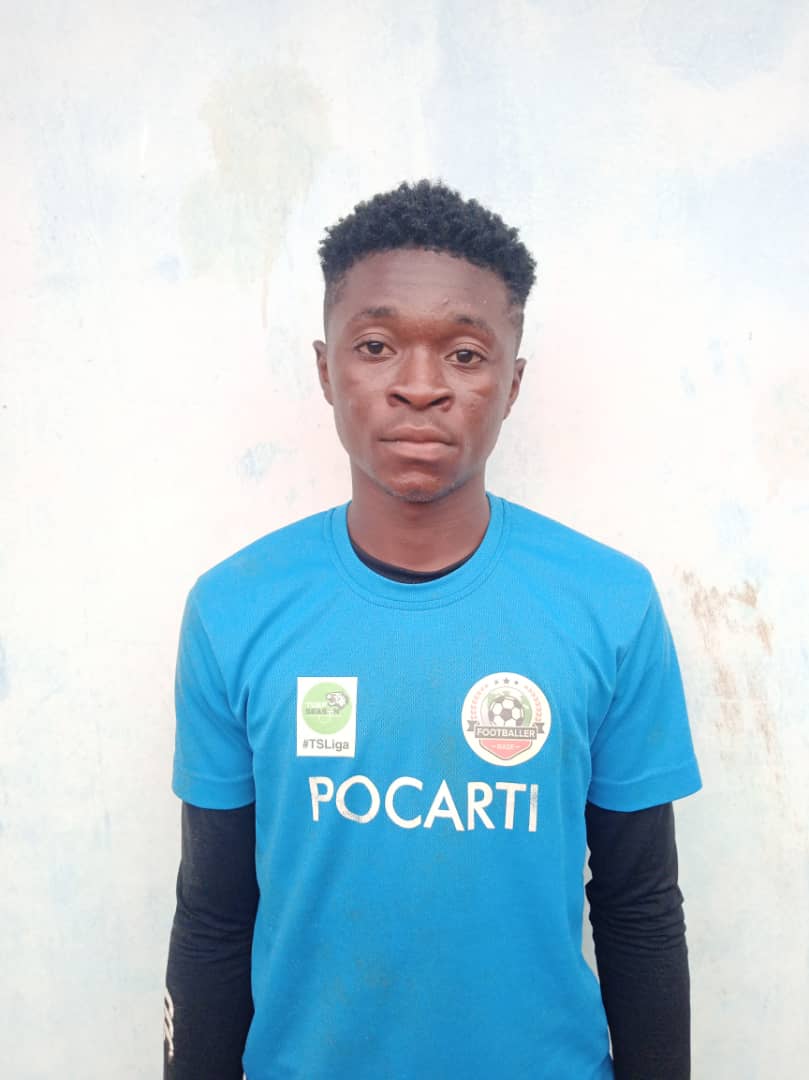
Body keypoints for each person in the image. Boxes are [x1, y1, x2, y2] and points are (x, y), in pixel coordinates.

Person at [164, 180, 701, 1080]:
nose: (419, 387)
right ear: (326, 369)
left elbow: (638, 905)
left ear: (511, 383)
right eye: (376, 346)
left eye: (463, 353)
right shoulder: (235, 608)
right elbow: (215, 914)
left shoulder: (609, 604)